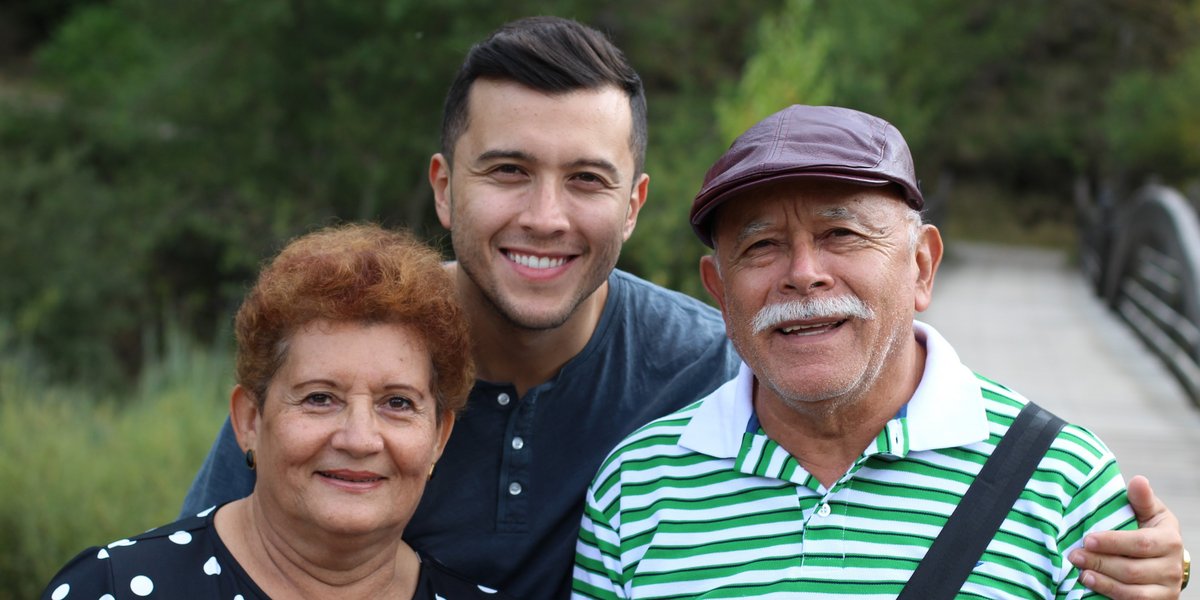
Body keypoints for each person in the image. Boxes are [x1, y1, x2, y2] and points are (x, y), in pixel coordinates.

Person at [180, 17, 1186, 600]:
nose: (544, 216)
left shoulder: (719, 366)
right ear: (443, 188)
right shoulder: (348, 371)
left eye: (584, 177)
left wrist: (1136, 563)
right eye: (507, 171)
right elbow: (207, 566)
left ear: (635, 203)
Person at [572, 104, 1189, 599]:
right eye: (761, 246)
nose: (804, 274)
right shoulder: (636, 488)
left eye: (841, 234)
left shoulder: (1064, 483)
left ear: (921, 266)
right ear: (720, 293)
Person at [43, 224, 507, 599]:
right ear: (249, 420)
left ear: (439, 438)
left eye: (398, 403)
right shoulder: (111, 590)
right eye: (320, 398)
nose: (360, 438)